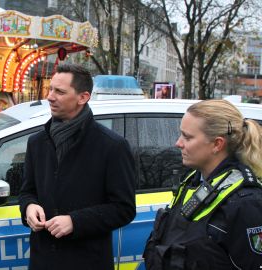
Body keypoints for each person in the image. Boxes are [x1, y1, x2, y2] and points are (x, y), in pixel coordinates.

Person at [18, 63, 136, 270]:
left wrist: (75, 221)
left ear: (83, 97)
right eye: (51, 89)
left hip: (86, 261)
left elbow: (124, 208)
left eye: (60, 92)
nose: (50, 96)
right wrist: (29, 207)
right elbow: (28, 191)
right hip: (43, 261)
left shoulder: (112, 146)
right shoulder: (37, 142)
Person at [143, 99, 262, 269]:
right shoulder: (194, 181)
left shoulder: (247, 202)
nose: (178, 143)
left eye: (187, 137)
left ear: (217, 144)